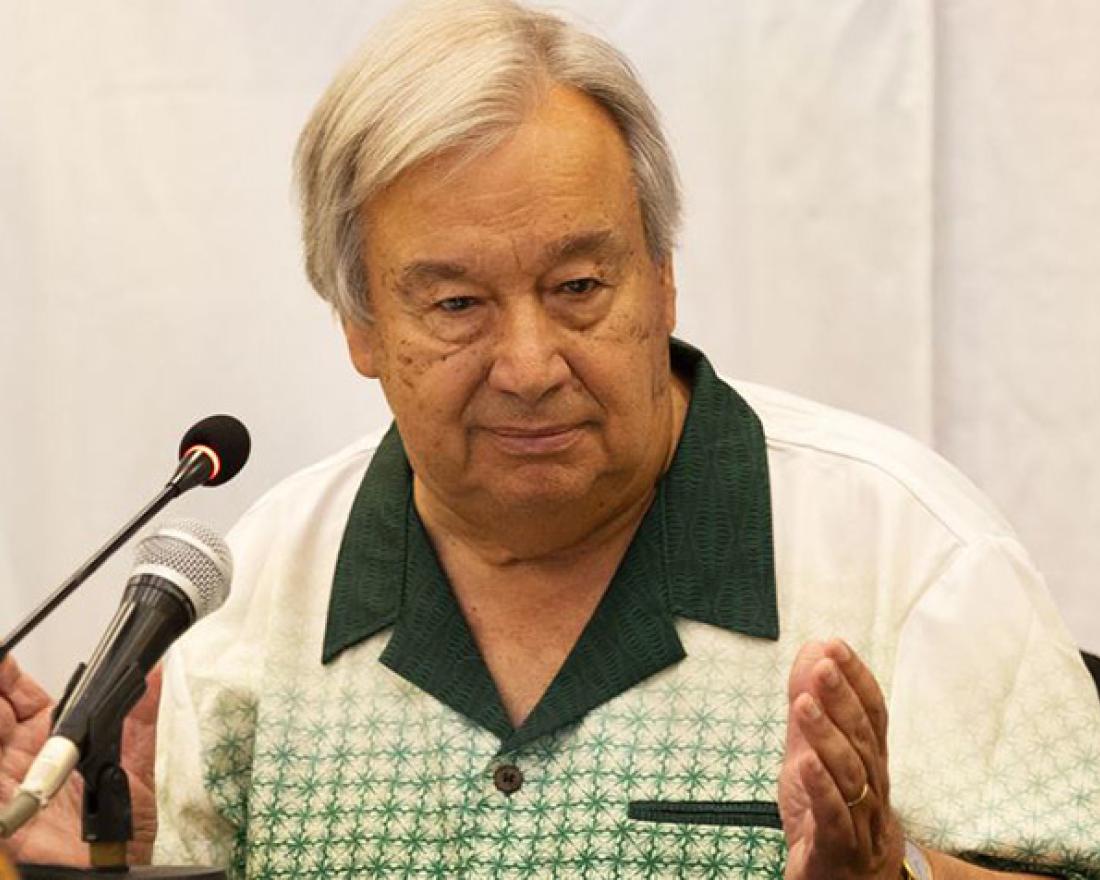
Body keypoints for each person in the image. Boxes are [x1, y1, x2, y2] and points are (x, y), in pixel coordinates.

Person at [2, 0, 1098, 877]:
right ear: (361, 329)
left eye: (577, 285)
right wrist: (117, 858)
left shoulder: (910, 559)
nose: (529, 365)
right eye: (457, 307)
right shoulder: (257, 602)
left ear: (663, 279)